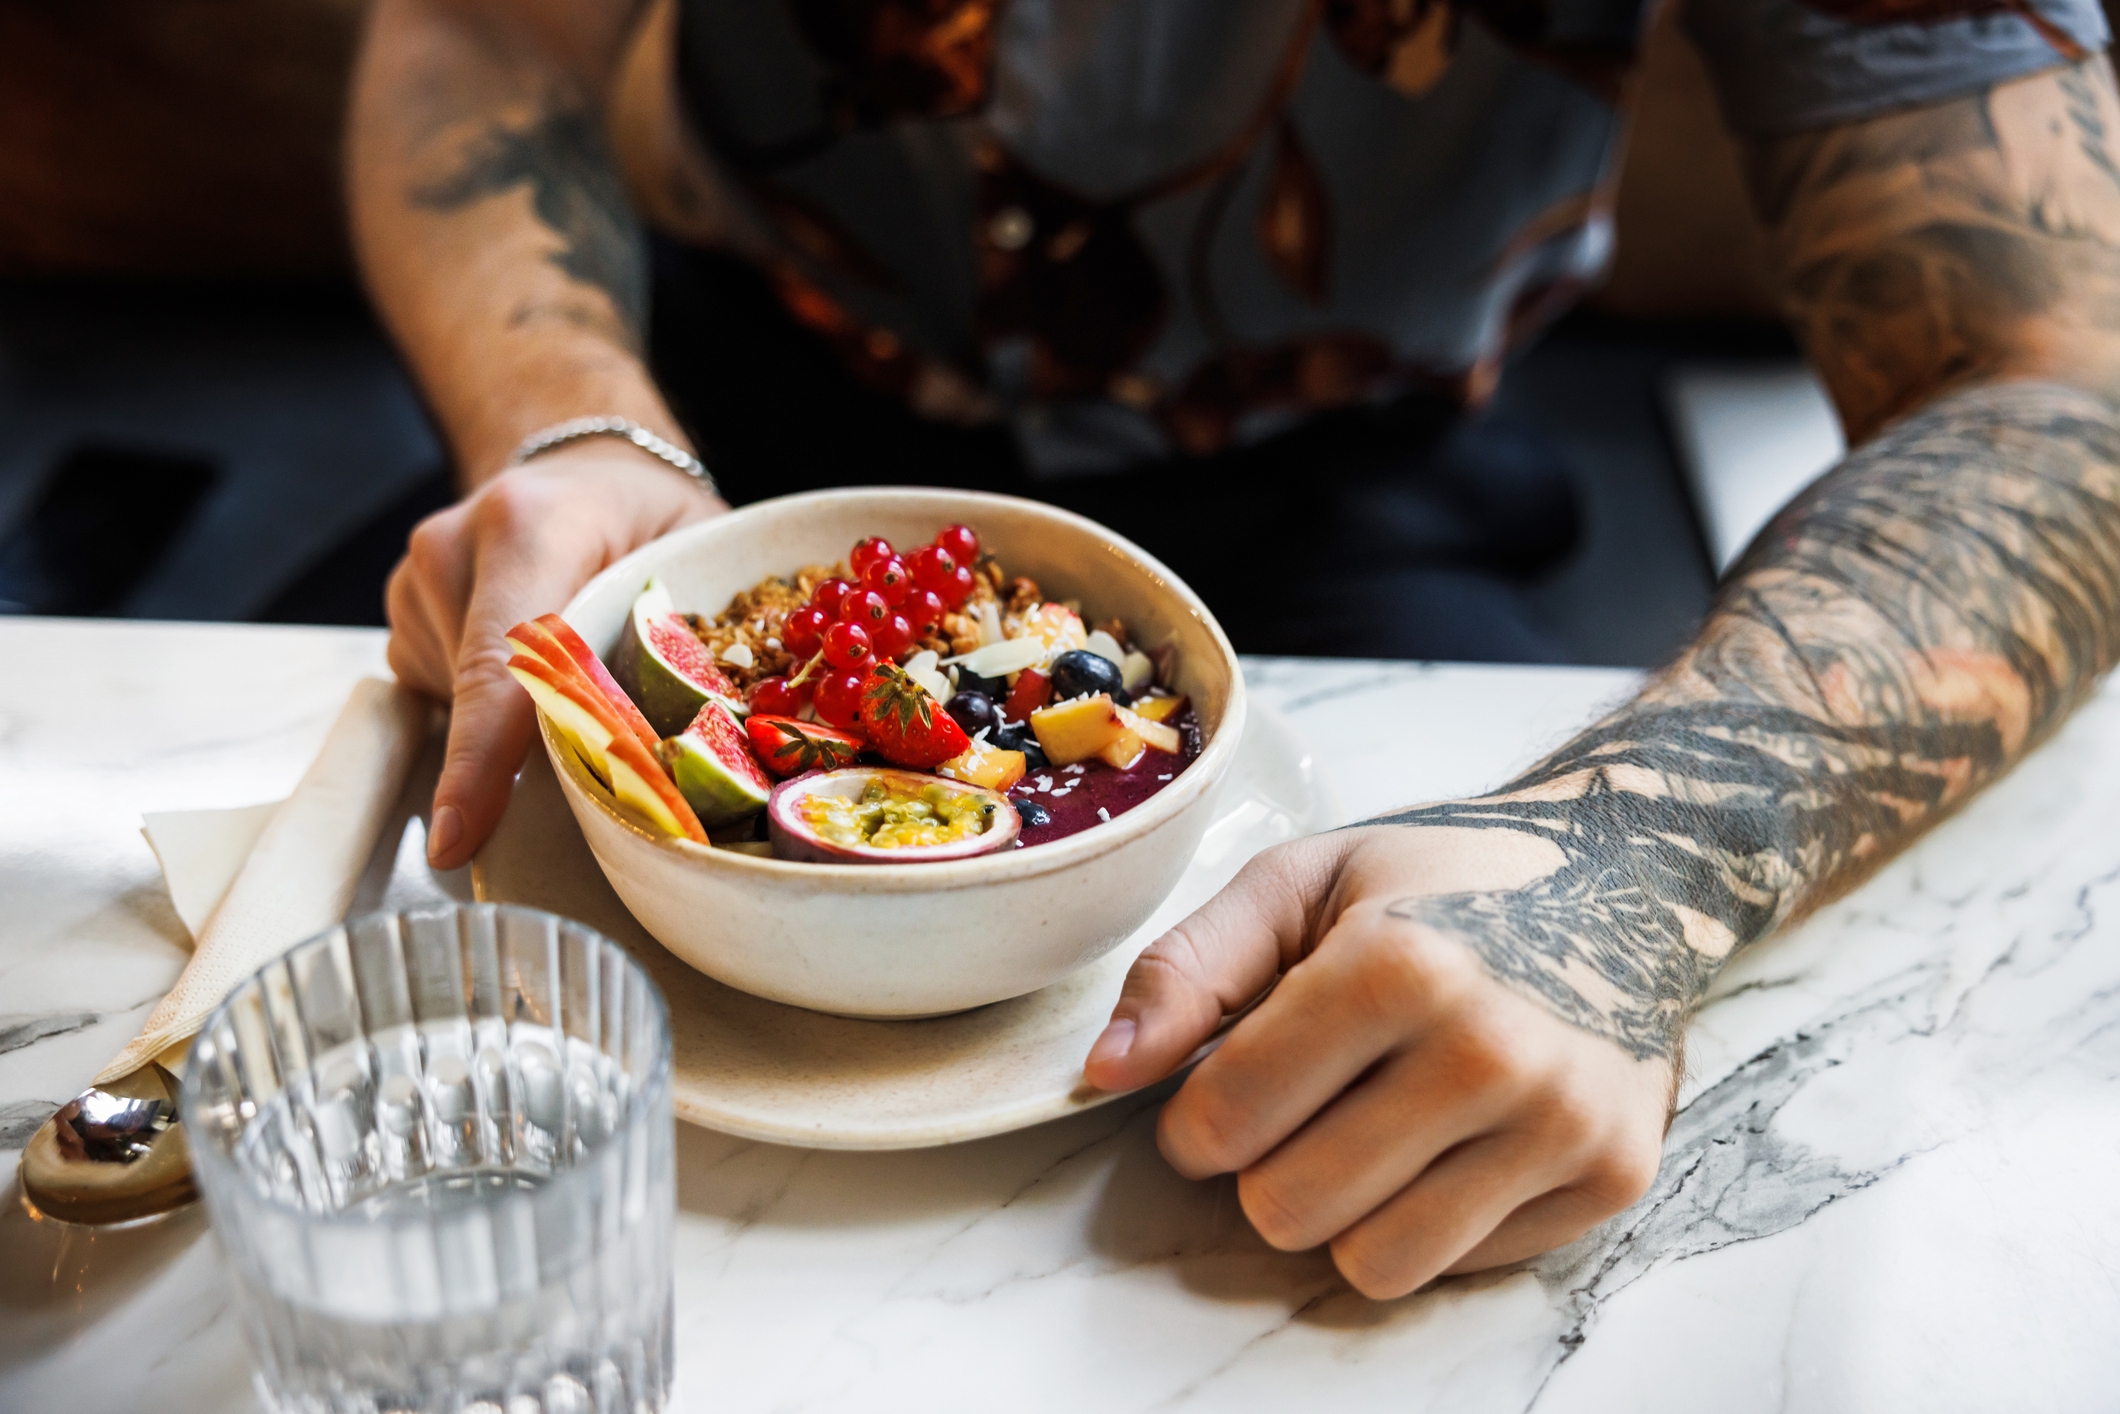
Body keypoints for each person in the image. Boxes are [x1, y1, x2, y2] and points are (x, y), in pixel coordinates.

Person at [356, 0, 2120, 1298]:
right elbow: (473, 34)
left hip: (1361, 464)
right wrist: (567, 418)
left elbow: (2065, 383)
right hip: (699, 415)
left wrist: (1626, 868)